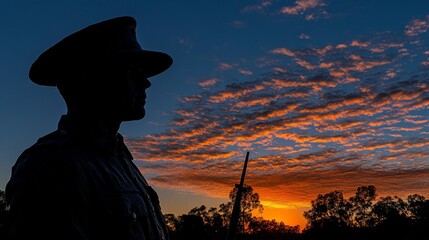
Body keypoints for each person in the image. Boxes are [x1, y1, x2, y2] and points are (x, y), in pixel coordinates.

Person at [5, 16, 172, 240]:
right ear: (92, 79)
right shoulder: (50, 166)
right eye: (132, 71)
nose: (146, 82)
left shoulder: (121, 161)